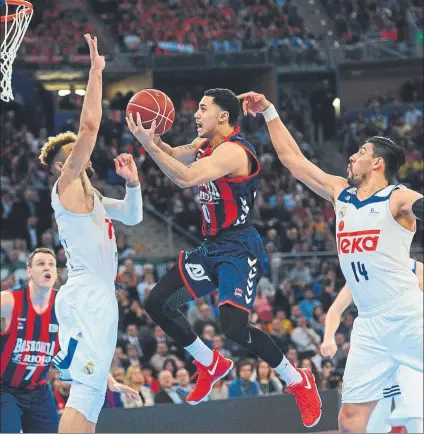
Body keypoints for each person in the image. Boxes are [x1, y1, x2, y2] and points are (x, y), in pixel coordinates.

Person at [126, 88, 321, 427]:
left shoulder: (233, 151)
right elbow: (173, 153)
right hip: (211, 246)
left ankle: (297, 380)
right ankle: (209, 363)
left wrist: (147, 145)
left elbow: (184, 177)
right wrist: (149, 136)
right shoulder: (204, 145)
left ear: (223, 116)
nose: (196, 115)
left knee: (233, 327)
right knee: (157, 301)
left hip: (239, 249)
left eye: (202, 109)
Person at [238, 91, 423, 433]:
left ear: (378, 163)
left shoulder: (397, 196)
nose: (352, 157)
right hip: (368, 324)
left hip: (406, 313)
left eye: (362, 153)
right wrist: (269, 111)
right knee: (350, 422)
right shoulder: (341, 192)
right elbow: (293, 159)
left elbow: (419, 205)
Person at [38, 34, 143, 433]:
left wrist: (132, 183)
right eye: (73, 152)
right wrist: (96, 72)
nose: (81, 153)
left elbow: (132, 217)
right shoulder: (65, 186)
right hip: (85, 293)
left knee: (94, 394)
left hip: (99, 294)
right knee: (85, 392)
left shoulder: (94, 198)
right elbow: (90, 126)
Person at [321, 258, 423, 434]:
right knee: (370, 425)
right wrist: (328, 337)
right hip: (375, 351)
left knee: (416, 418)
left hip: (408, 345)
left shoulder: (416, 268)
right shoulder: (362, 268)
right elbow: (336, 309)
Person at [1, 248, 59, 433]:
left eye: (51, 264)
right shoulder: (9, 301)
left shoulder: (65, 306)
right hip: (5, 388)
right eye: (40, 264)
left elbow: (86, 347)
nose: (46, 267)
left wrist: (107, 379)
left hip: (39, 391)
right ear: (28, 271)